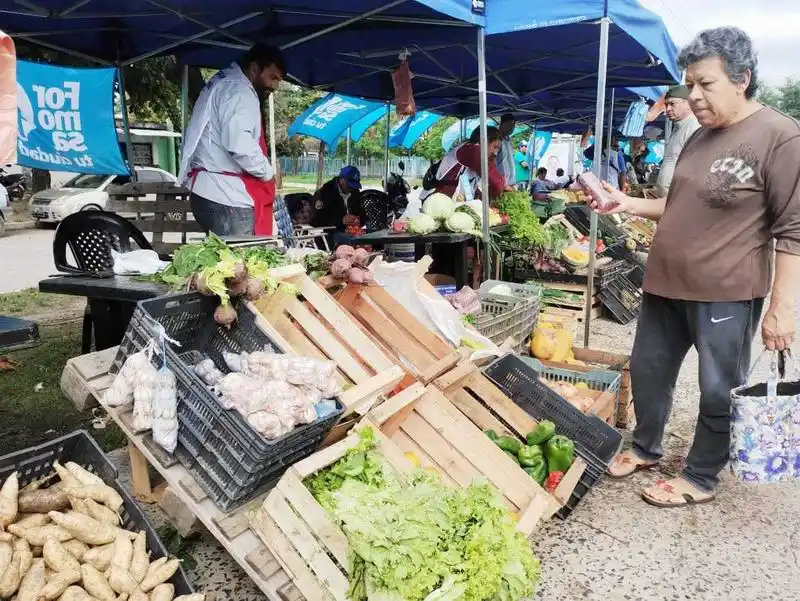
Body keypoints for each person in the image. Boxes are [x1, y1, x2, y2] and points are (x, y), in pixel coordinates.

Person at [588, 27, 800, 507]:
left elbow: (793, 230)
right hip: (665, 282)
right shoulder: (700, 136)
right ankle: (646, 447)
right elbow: (678, 204)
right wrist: (627, 203)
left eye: (706, 84)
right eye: (689, 85)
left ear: (742, 79)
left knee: (718, 388)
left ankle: (701, 476)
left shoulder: (780, 136)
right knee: (648, 371)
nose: (694, 96)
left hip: (725, 290)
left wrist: (782, 307)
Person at [178, 44, 285, 236]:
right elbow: (239, 144)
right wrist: (267, 173)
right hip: (225, 197)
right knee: (243, 253)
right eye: (273, 77)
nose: (275, 86)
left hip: (208, 190)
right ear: (254, 69)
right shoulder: (239, 91)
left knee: (222, 254)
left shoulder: (224, 80)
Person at [422, 126, 506, 202]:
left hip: (447, 199)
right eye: (495, 147)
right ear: (484, 141)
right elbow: (496, 183)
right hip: (437, 201)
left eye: (498, 149)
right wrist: (503, 186)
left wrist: (482, 198)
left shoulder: (470, 151)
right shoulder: (472, 150)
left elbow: (469, 185)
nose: (495, 153)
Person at [656, 85, 701, 196]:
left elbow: (696, 168)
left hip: (681, 197)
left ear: (688, 104)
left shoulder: (694, 127)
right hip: (670, 198)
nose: (668, 109)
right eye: (666, 105)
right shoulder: (678, 127)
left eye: (672, 104)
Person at [310, 166, 366, 247]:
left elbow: (363, 215)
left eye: (354, 186)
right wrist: (341, 221)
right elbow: (316, 221)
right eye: (349, 185)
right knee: (353, 242)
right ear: (341, 179)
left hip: (352, 231)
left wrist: (358, 219)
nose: (351, 188)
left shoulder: (355, 192)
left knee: (372, 238)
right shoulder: (325, 193)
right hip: (331, 234)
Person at [495, 113, 517, 188]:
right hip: (499, 182)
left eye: (514, 125)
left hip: (510, 182)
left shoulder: (508, 139)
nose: (513, 127)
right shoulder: (495, 138)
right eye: (511, 124)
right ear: (503, 124)